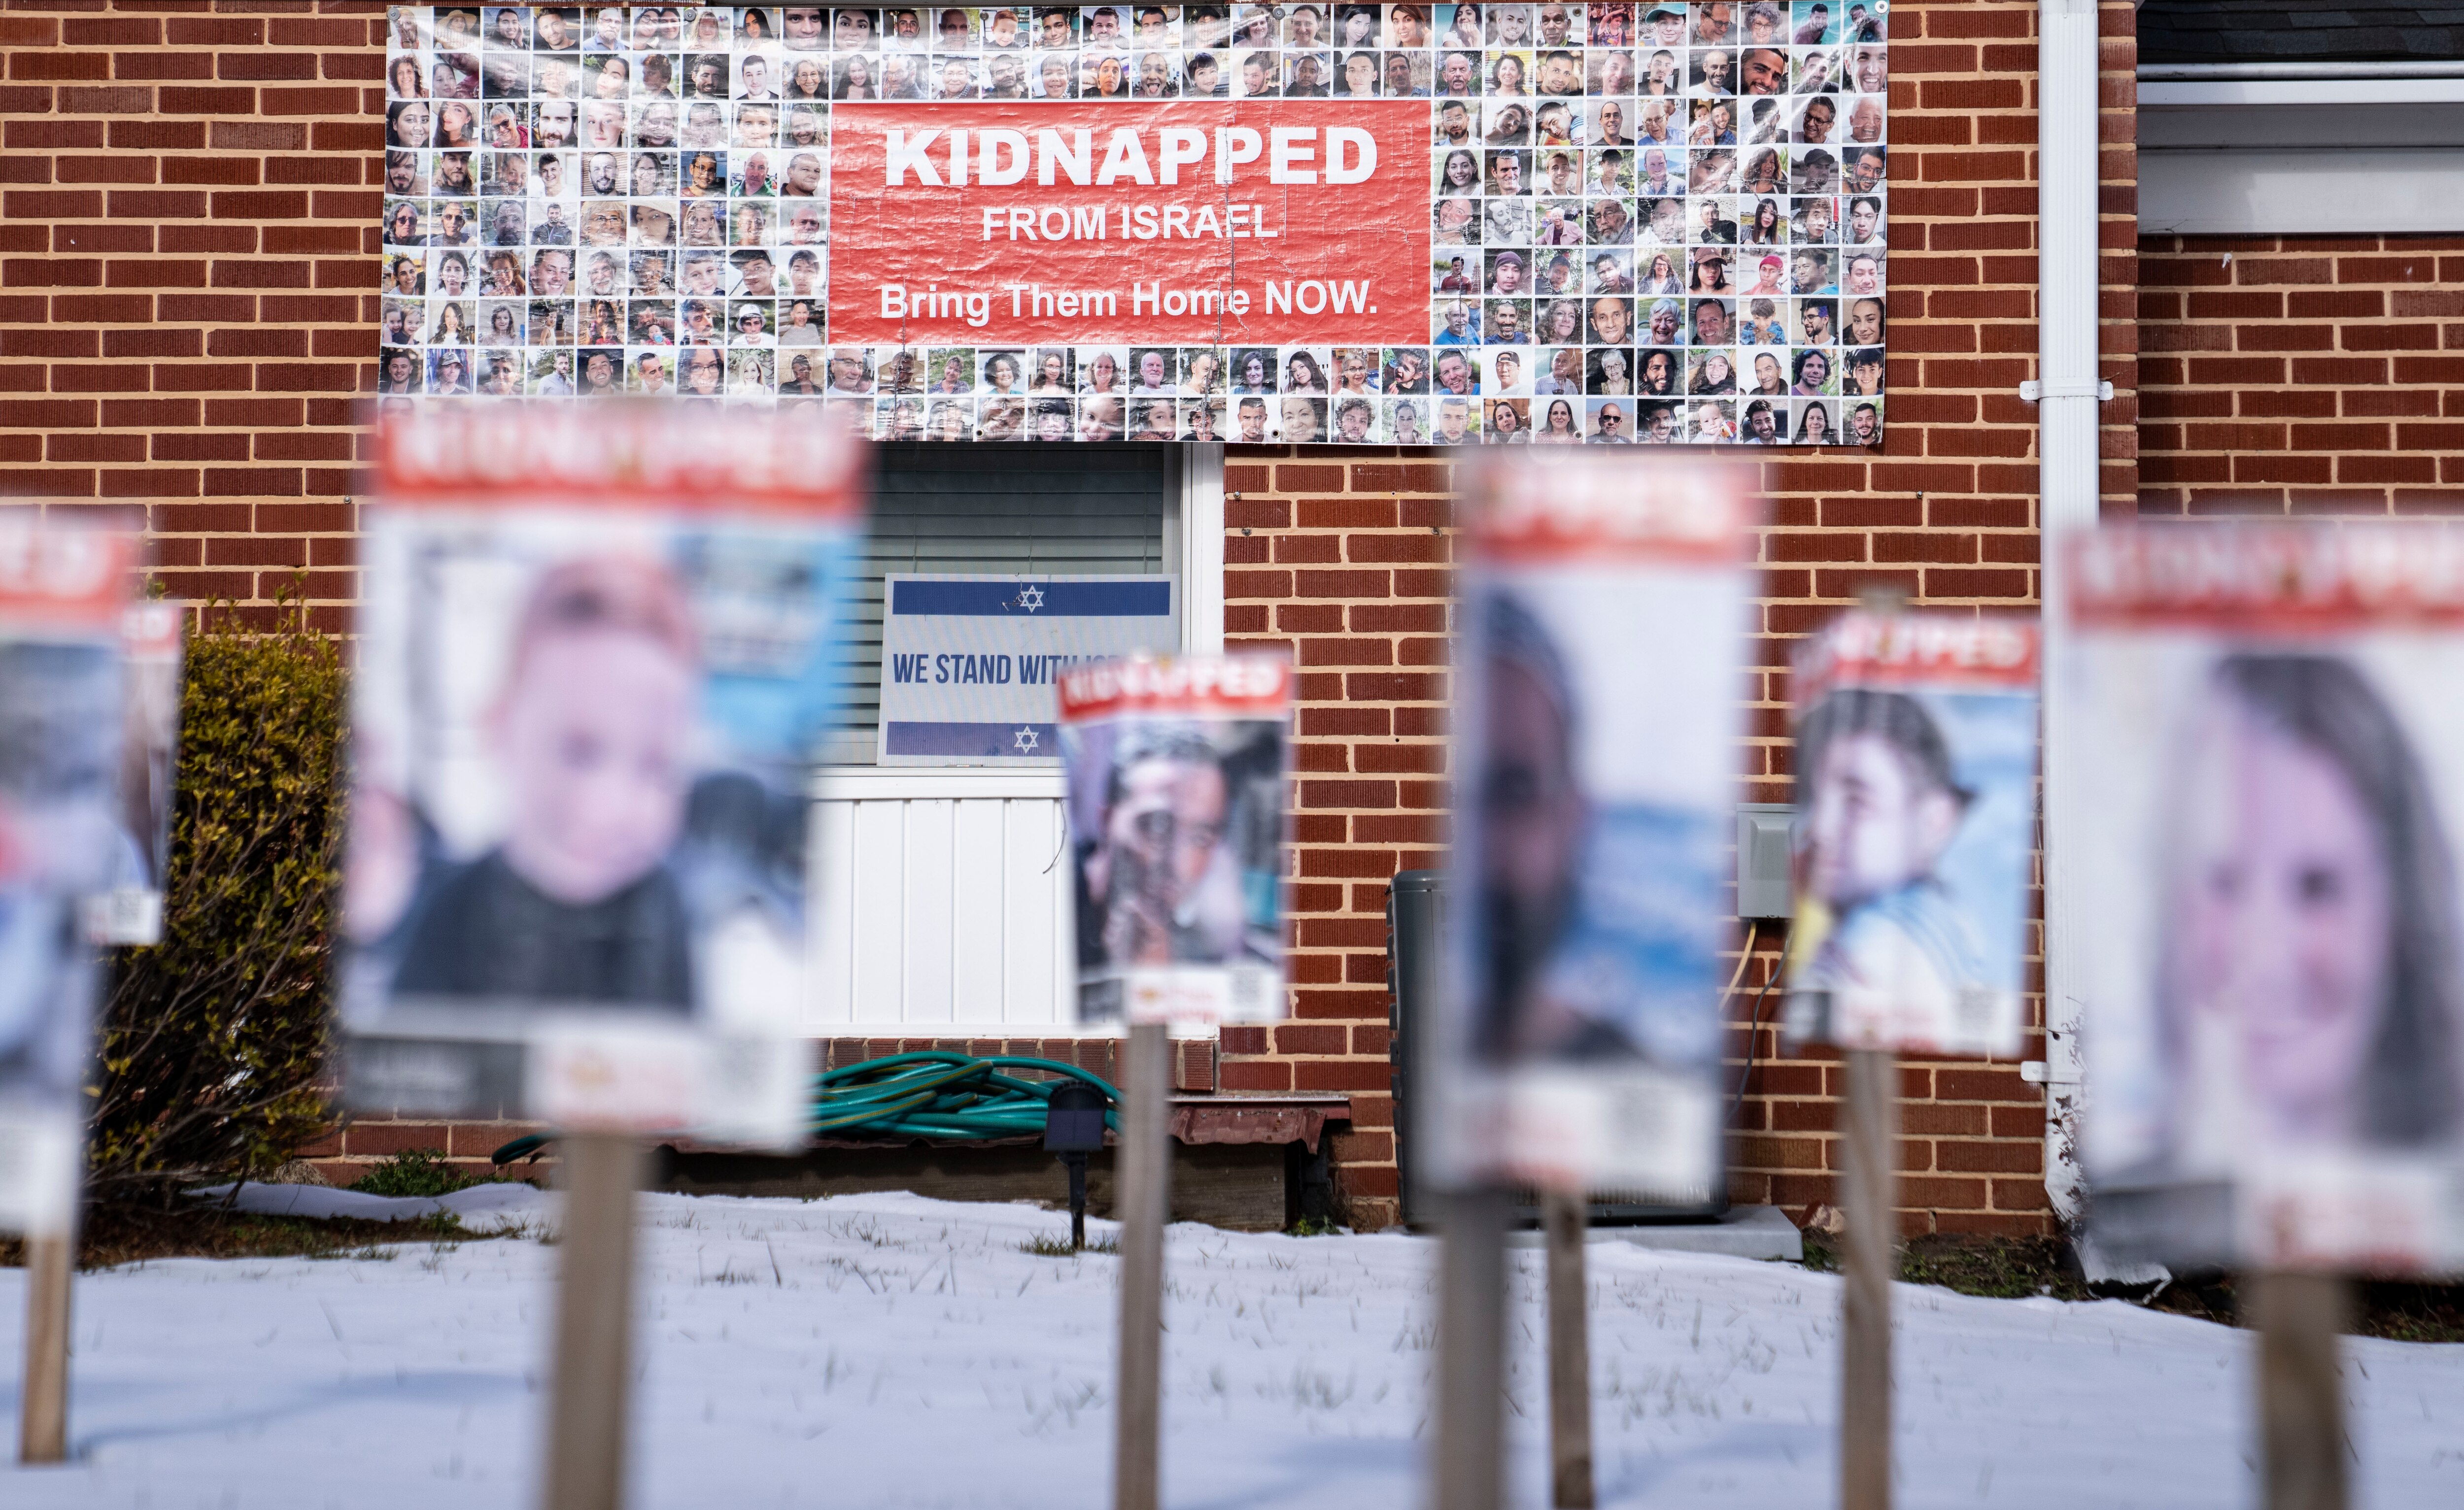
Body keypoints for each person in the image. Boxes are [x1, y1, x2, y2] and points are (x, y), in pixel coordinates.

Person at [2147, 656, 2464, 1170]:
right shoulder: (2111, 1212)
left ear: (2400, 910)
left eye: (2317, 887)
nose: (2265, 952)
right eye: (2225, 881)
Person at [388, 558, 701, 1011]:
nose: (608, 806)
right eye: (578, 751)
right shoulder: (449, 914)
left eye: (655, 765)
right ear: (498, 726)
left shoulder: (669, 911)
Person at [1788, 684, 1989, 1028]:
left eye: (1856, 801)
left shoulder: (1880, 946)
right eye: (1815, 798)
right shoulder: (1938, 920)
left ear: (1933, 820)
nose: (1819, 828)